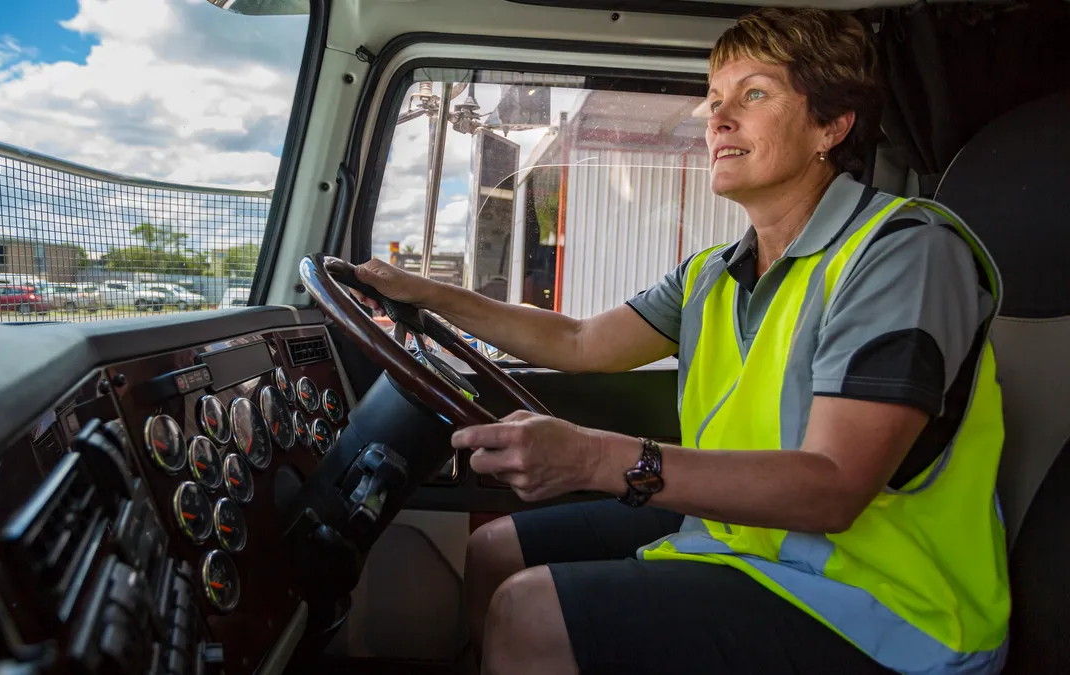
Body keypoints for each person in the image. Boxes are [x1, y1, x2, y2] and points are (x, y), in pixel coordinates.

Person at [353, 8, 1009, 675]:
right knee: (496, 552)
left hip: (885, 604)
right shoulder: (713, 273)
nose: (717, 120)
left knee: (532, 610)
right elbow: (580, 340)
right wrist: (429, 294)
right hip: (751, 539)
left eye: (753, 94)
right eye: (714, 101)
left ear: (831, 126)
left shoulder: (902, 255)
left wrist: (591, 458)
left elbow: (832, 488)